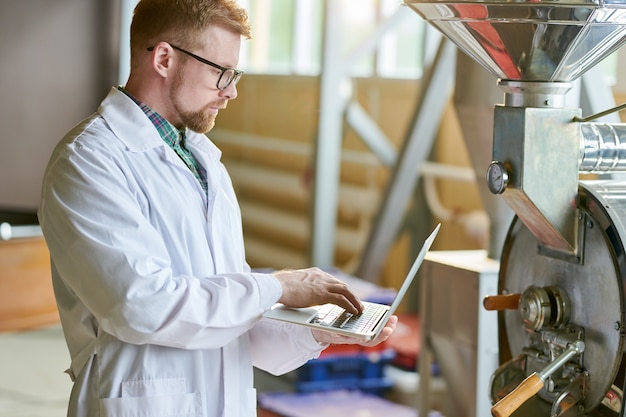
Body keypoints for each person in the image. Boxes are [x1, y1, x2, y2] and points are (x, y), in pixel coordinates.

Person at [37, 1, 397, 416]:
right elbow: (140, 307)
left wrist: (322, 333)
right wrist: (277, 286)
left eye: (234, 73)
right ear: (165, 58)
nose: (232, 91)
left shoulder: (202, 160)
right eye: (220, 72)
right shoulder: (87, 161)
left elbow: (229, 317)